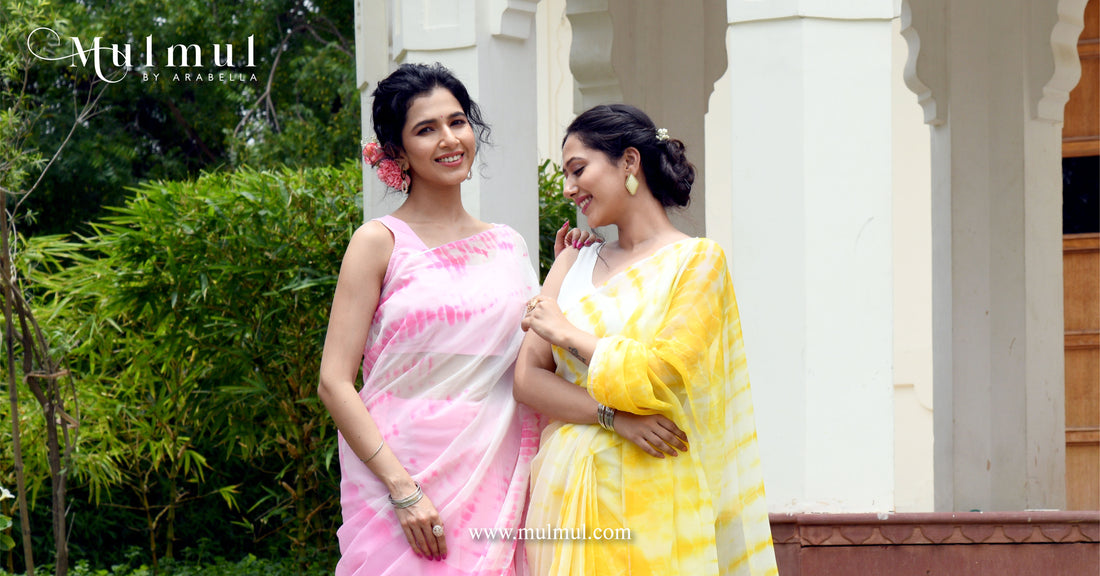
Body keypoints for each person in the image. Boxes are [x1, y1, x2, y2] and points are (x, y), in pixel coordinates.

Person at [318, 62, 594, 576]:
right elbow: (334, 382)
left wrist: (562, 272)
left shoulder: (508, 246)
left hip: (495, 475)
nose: (449, 139)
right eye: (426, 129)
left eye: (457, 121)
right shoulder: (379, 242)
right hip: (399, 483)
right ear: (398, 151)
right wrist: (402, 490)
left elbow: (530, 360)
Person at [514, 104, 778, 576]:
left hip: (657, 493)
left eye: (578, 169)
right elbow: (527, 380)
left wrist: (567, 334)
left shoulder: (697, 262)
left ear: (630, 162)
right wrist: (613, 418)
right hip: (567, 490)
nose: (569, 187)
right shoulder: (572, 262)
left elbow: (663, 374)